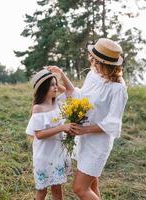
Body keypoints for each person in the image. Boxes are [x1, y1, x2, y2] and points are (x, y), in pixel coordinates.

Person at [57, 38, 128, 200]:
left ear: (104, 63)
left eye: (94, 59)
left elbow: (113, 122)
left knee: (80, 188)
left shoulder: (118, 89)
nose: (91, 61)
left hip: (98, 143)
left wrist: (85, 130)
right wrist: (61, 77)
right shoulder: (93, 75)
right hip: (84, 139)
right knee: (92, 184)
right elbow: (80, 96)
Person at [25, 68, 76, 200]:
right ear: (43, 88)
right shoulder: (38, 108)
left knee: (57, 190)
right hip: (44, 155)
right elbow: (39, 134)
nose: (56, 88)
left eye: (56, 84)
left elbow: (70, 91)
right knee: (42, 191)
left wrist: (59, 77)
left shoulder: (58, 103)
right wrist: (62, 127)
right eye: (52, 85)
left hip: (57, 153)